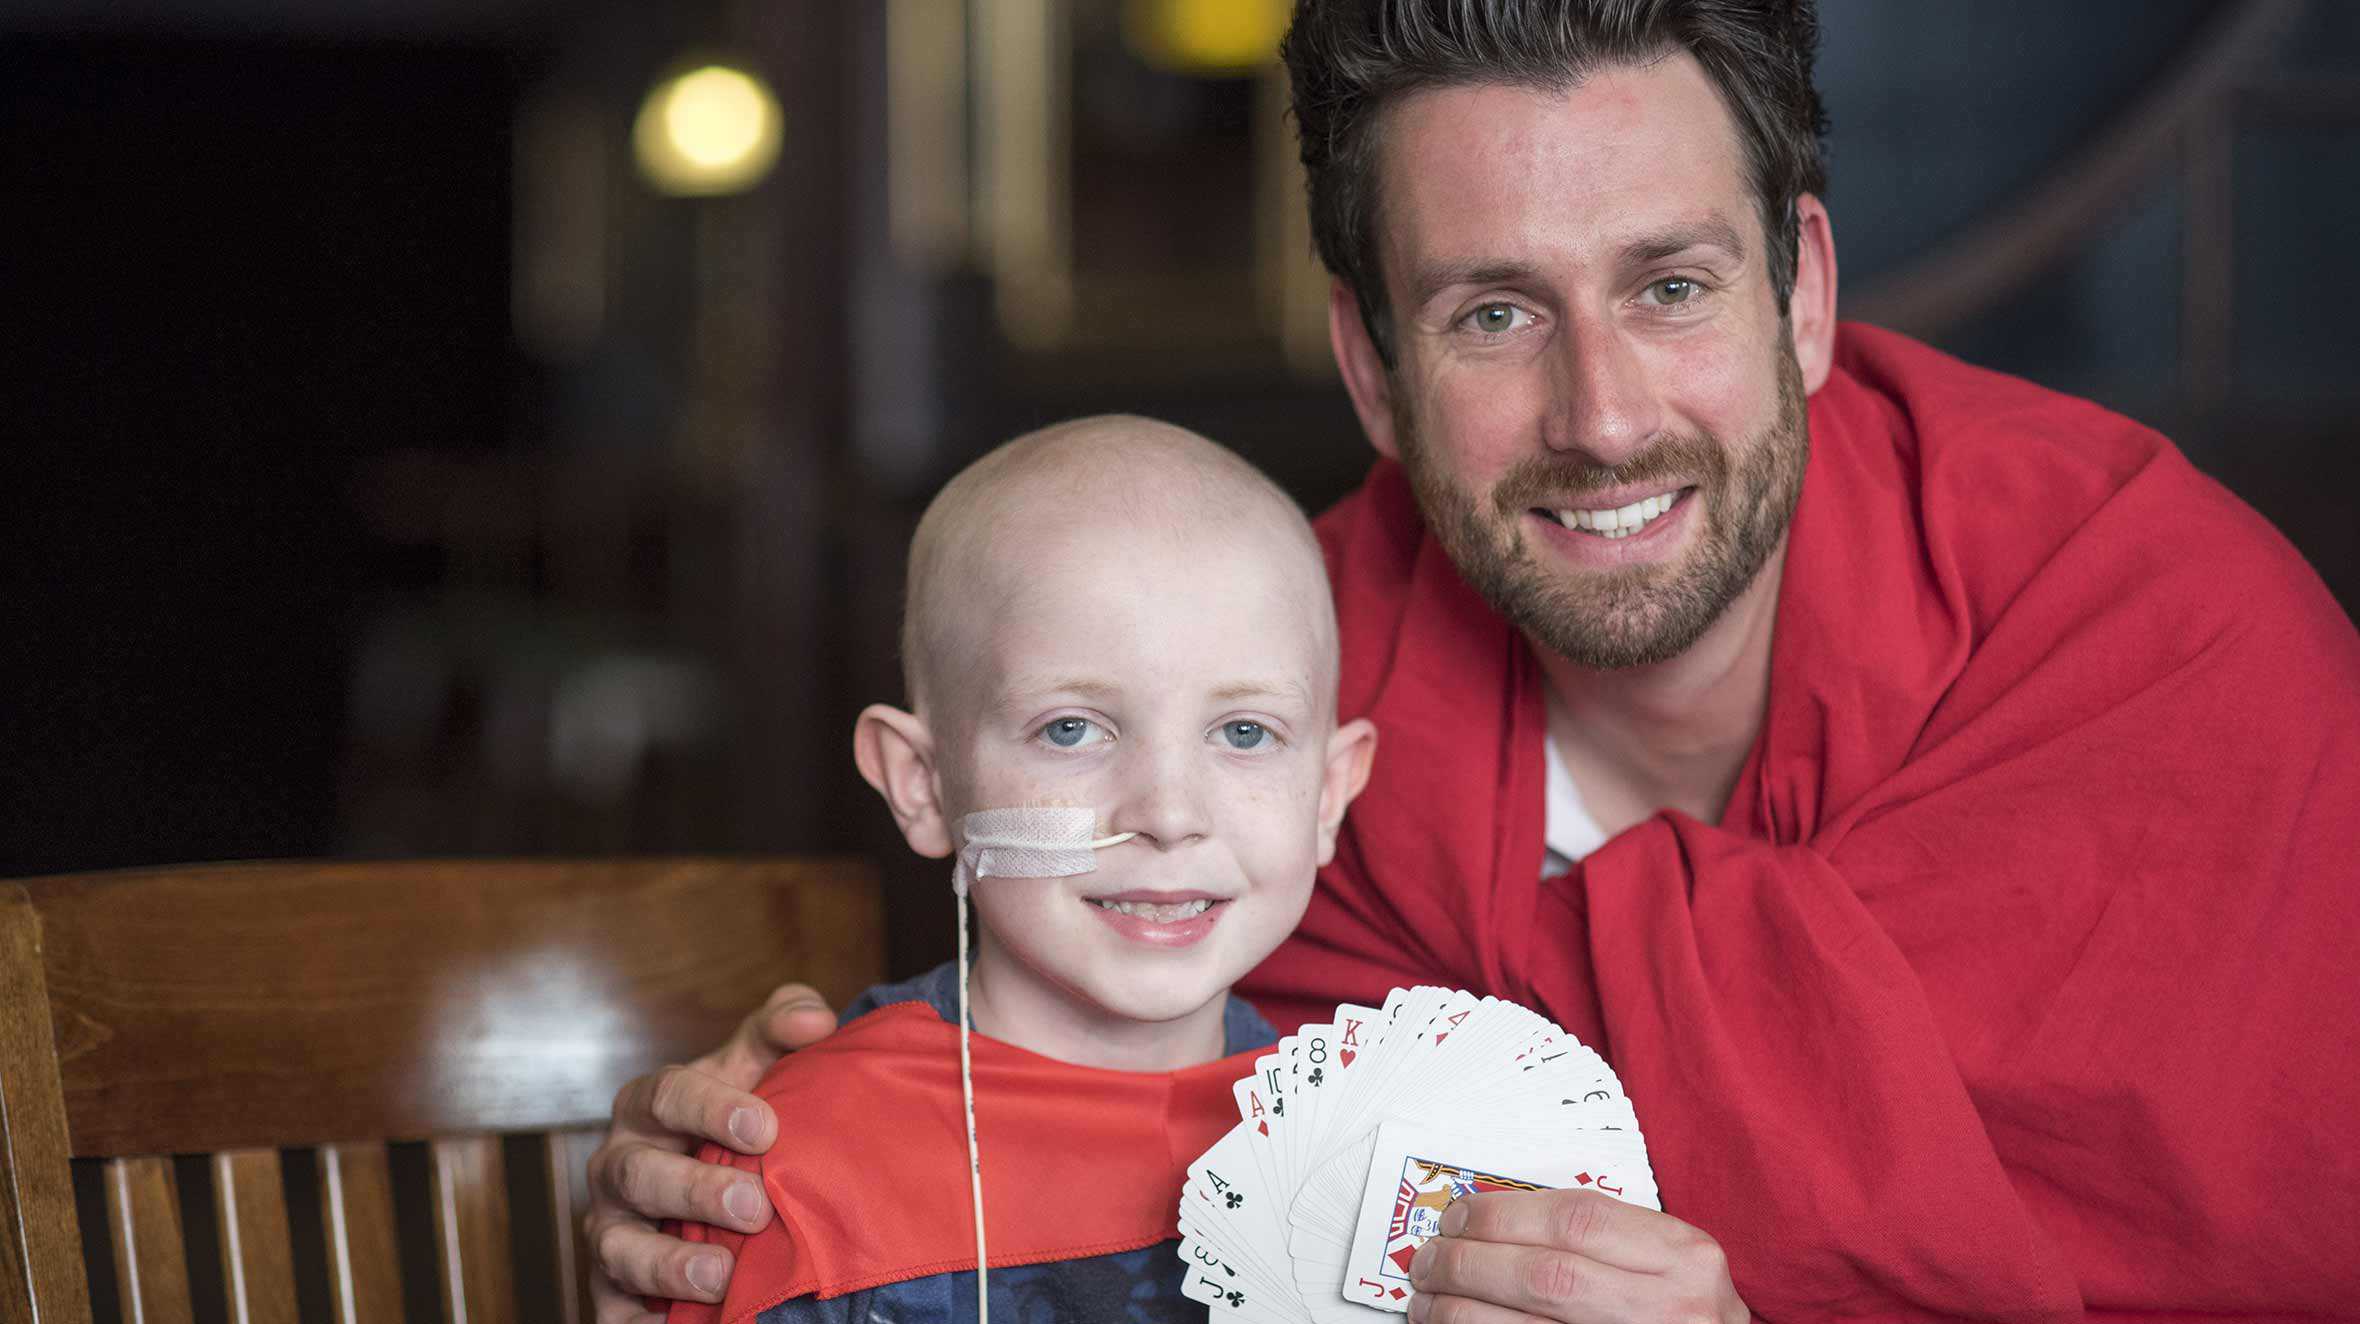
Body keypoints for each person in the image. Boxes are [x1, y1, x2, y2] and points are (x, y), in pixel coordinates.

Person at [587, 3, 2360, 1321]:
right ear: (1369, 367)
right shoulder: (1262, 716)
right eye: (1494, 314)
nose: (1602, 418)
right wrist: (765, 1172)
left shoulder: (2150, 632)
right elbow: (1080, 1114)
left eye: (1670, 285)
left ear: (1805, 294)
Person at [663, 416, 1378, 1323]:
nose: (1166, 815)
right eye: (1071, 729)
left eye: (1245, 733)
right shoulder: (800, 1166)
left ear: (1329, 793)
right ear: (922, 784)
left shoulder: (1357, 1152)